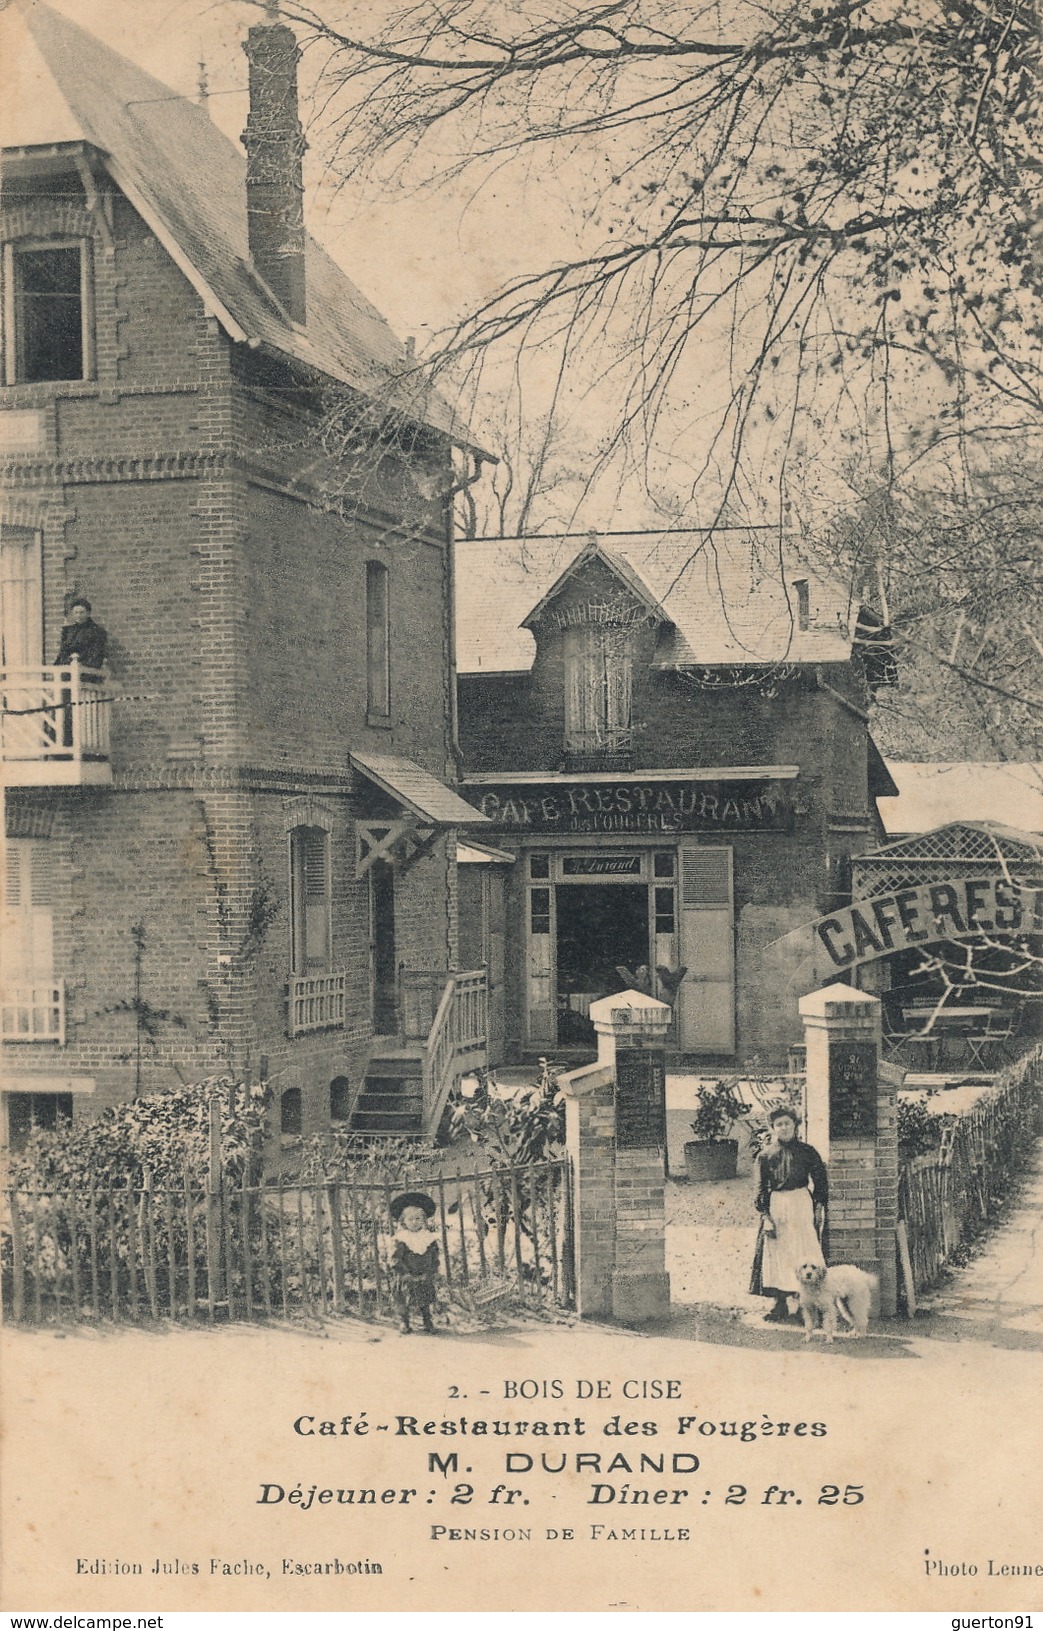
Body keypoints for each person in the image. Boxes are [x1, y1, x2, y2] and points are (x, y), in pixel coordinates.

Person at [749, 1106, 828, 1322]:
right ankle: (780, 1304)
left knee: (803, 1251)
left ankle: (806, 1304)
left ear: (795, 1125)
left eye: (787, 1123)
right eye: (779, 1124)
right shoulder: (765, 1156)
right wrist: (765, 1217)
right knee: (779, 1254)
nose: (784, 1127)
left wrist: (819, 1206)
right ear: (773, 1128)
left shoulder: (807, 1151)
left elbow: (820, 1179)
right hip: (777, 1206)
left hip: (801, 1204)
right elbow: (760, 1188)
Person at [388, 1190, 440, 1333]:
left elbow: (434, 1257)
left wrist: (430, 1271)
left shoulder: (428, 1237)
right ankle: (404, 1322)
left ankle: (427, 1321)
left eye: (418, 1219)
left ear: (423, 1220)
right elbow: (395, 1259)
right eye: (410, 1219)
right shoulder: (401, 1239)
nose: (414, 1222)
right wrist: (404, 1273)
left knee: (425, 1298)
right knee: (404, 1299)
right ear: (403, 1221)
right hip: (406, 1276)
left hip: (424, 1275)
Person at [54, 598, 108, 668]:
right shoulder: (67, 631)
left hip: (87, 671)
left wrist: (81, 663)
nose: (78, 615)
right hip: (67, 669)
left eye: (81, 612)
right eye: (76, 612)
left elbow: (96, 655)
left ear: (88, 613)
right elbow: (62, 653)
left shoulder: (96, 631)